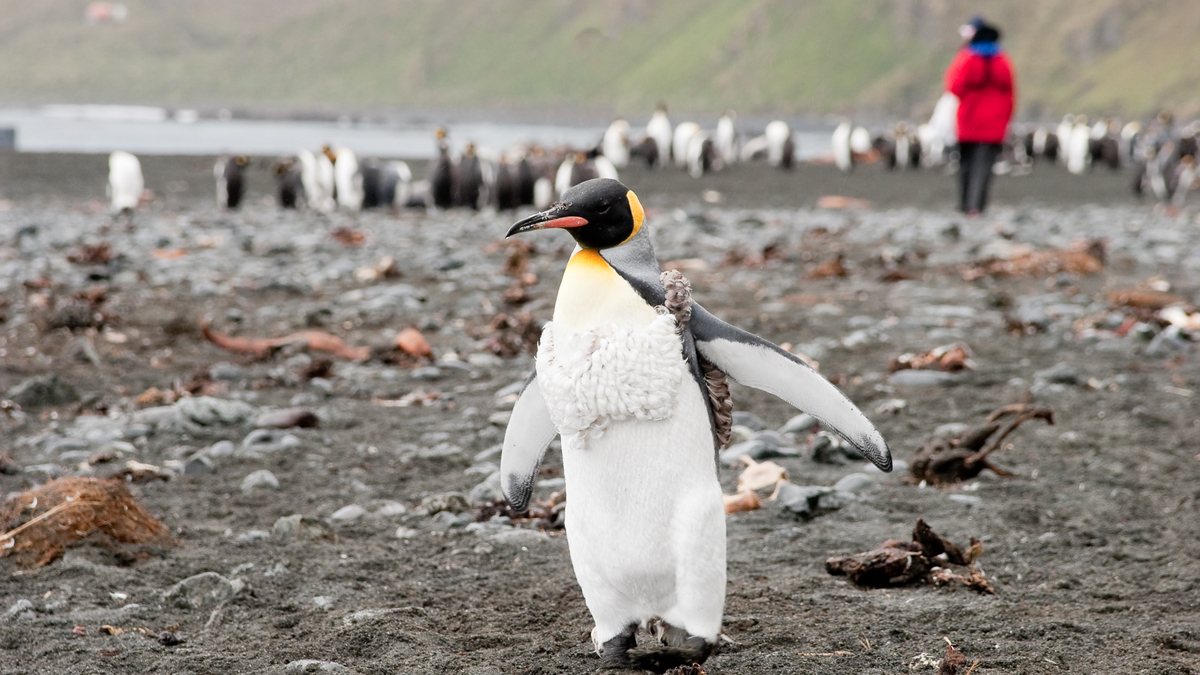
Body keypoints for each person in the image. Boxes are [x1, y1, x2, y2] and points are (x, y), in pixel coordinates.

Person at [945, 18, 1015, 215]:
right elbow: (1011, 93)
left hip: (968, 122)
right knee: (984, 166)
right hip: (994, 125)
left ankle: (965, 204)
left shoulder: (967, 58)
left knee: (966, 164)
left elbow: (954, 87)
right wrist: (1006, 118)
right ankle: (978, 206)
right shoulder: (1002, 60)